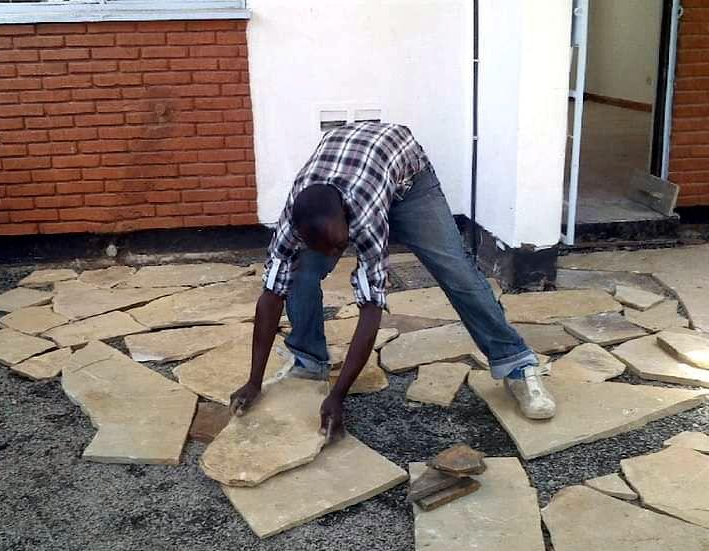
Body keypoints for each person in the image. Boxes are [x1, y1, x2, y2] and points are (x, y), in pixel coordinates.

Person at [231, 122, 556, 441]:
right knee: (299, 273)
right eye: (327, 248)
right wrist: (253, 382)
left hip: (410, 182)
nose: (335, 255)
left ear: (348, 220)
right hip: (357, 172)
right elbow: (271, 295)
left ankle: (515, 363)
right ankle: (308, 360)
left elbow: (371, 308)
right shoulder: (291, 223)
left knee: (457, 272)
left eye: (339, 245)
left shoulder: (365, 216)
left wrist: (338, 396)